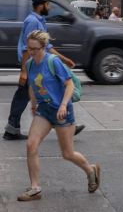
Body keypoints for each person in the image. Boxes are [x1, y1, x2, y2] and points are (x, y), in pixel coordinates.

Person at [17, 30, 99, 201]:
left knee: (67, 153)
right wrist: (33, 104)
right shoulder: (31, 64)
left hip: (62, 111)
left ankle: (91, 170)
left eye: (34, 49)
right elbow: (32, 85)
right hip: (44, 110)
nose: (30, 52)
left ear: (43, 47)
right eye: (28, 48)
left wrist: (63, 105)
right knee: (31, 145)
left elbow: (69, 85)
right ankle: (35, 189)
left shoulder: (53, 62)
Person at [4, 0, 84, 141]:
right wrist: (24, 71)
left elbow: (46, 46)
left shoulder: (39, 20)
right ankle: (64, 125)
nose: (50, 6)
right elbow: (28, 47)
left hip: (37, 62)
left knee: (29, 95)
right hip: (33, 64)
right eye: (47, 4)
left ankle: (12, 128)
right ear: (41, 5)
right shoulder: (33, 21)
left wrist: (64, 59)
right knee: (38, 94)